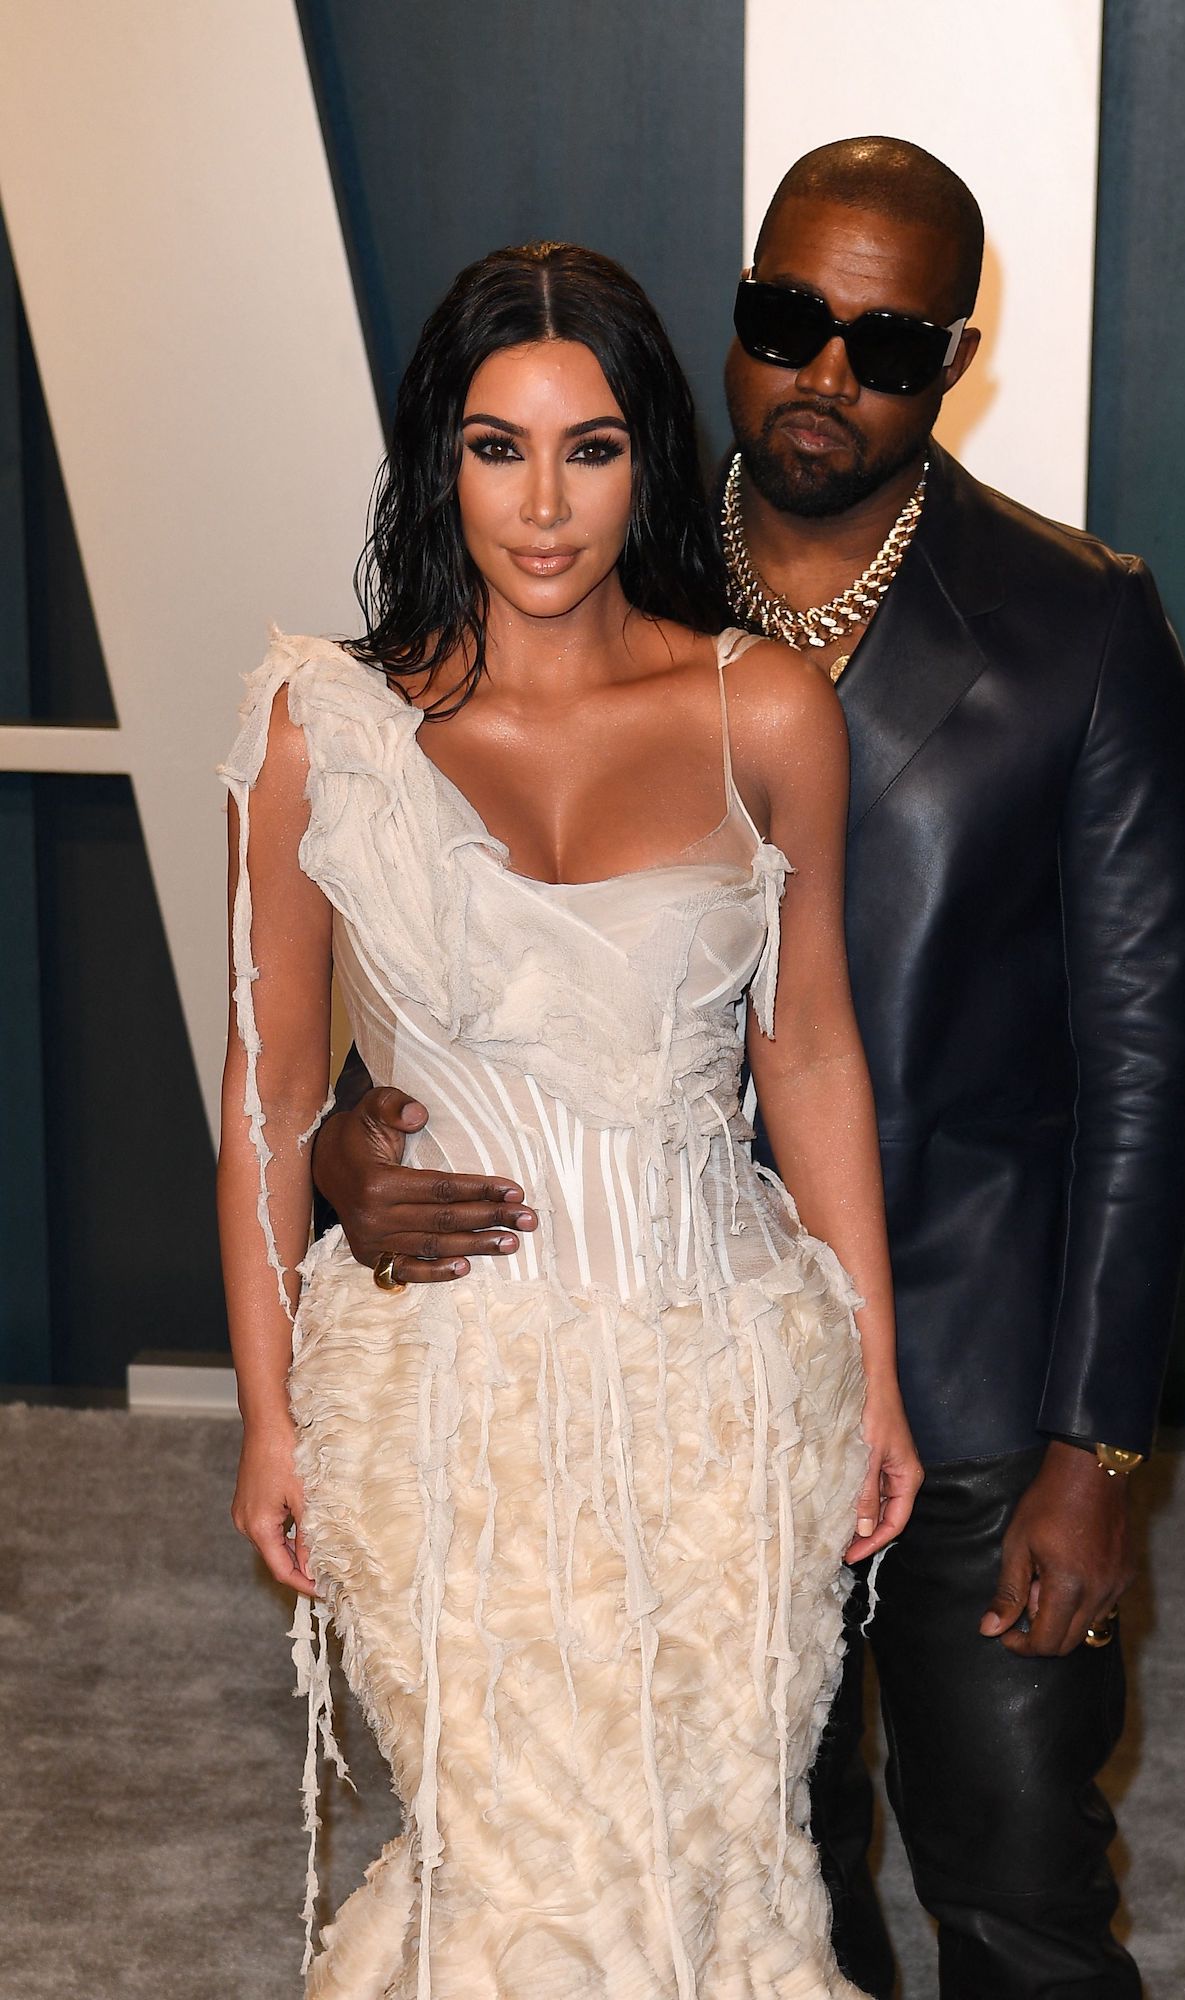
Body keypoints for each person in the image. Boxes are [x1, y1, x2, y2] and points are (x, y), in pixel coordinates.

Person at [313, 144, 1185, 1998]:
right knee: (733, 1889)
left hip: (966, 1374)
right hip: (655, 1390)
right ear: (731, 316)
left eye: (882, 344)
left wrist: (1097, 1450)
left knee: (1018, 1890)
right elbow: (451, 931)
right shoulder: (599, 551)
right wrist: (349, 1139)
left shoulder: (1075, 624)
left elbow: (1148, 1062)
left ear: (950, 360)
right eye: (784, 317)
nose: (822, 373)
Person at [218, 239, 922, 1999]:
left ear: (648, 458)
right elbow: (271, 1093)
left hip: (724, 1393)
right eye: (496, 446)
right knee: (516, 1882)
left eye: (588, 449)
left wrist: (874, 1376)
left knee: (710, 1881)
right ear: (437, 460)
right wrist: (266, 1415)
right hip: (438, 1402)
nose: (542, 506)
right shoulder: (322, 729)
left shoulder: (763, 708)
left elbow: (809, 1055)